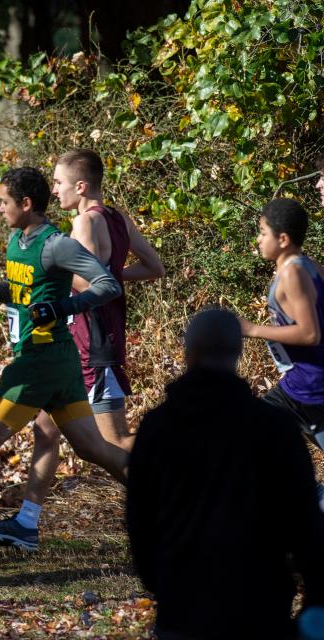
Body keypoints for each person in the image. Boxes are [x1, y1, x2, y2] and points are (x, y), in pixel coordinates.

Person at [0, 149, 164, 551]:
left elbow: (85, 282)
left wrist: (58, 290)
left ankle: (173, 498)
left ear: (81, 187)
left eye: (61, 183)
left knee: (111, 443)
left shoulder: (83, 221)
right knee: (46, 430)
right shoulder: (118, 219)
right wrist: (110, 279)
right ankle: (28, 523)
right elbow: (154, 268)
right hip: (93, 340)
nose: (56, 189)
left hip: (88, 341)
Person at [127, 308, 324, 639]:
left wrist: (159, 580)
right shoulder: (273, 427)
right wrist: (315, 594)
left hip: (182, 603)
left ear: (189, 353)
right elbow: (303, 518)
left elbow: (139, 517)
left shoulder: (157, 427)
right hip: (260, 602)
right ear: (236, 353)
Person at [0, 166, 126, 557]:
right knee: (94, 449)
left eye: (4, 202)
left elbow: (107, 285)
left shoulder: (56, 244)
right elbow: (25, 295)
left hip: (41, 360)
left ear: (26, 203)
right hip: (56, 362)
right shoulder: (16, 239)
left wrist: (63, 305)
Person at [239, 198, 324, 458]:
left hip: (310, 388)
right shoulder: (309, 265)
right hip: (303, 383)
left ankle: (309, 495)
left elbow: (310, 333)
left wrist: (252, 329)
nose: (258, 240)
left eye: (263, 233)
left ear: (283, 239)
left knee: (249, 432)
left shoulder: (293, 273)